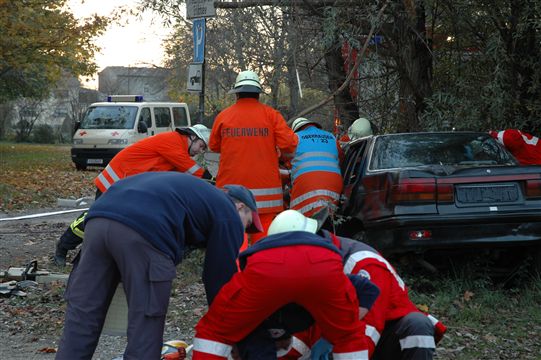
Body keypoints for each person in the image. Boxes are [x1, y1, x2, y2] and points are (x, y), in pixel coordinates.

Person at [55, 172, 263, 359]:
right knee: (146, 318)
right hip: (144, 229)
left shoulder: (196, 193)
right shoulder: (228, 212)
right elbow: (218, 277)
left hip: (98, 220)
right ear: (241, 207)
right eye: (248, 223)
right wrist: (230, 330)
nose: (244, 230)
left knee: (84, 312)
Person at [266, 209, 447, 360]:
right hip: (339, 335)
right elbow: (303, 323)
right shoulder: (309, 267)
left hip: (382, 338)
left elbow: (368, 326)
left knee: (417, 325)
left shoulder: (364, 264)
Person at [191, 212, 372, 360]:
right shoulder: (320, 251)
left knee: (214, 331)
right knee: (348, 336)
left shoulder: (267, 255)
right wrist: (345, 320)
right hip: (323, 264)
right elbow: (367, 288)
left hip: (266, 268)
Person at [53, 124, 212, 266]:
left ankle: (85, 258)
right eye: (201, 146)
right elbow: (192, 170)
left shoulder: (177, 147)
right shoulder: (174, 141)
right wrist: (214, 181)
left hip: (127, 186)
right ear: (192, 136)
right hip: (116, 181)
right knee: (94, 218)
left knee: (109, 223)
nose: (200, 151)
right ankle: (63, 247)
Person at [209, 70, 298, 242]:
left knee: (235, 239)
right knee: (263, 242)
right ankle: (259, 267)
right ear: (258, 94)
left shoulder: (224, 116)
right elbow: (289, 143)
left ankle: (235, 268)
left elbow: (214, 146)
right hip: (266, 196)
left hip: (231, 191)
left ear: (237, 94)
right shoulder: (271, 115)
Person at [287, 118, 343, 217]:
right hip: (334, 184)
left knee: (297, 218)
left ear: (296, 130)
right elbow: (342, 159)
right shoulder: (331, 137)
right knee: (329, 217)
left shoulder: (295, 138)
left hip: (306, 184)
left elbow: (287, 162)